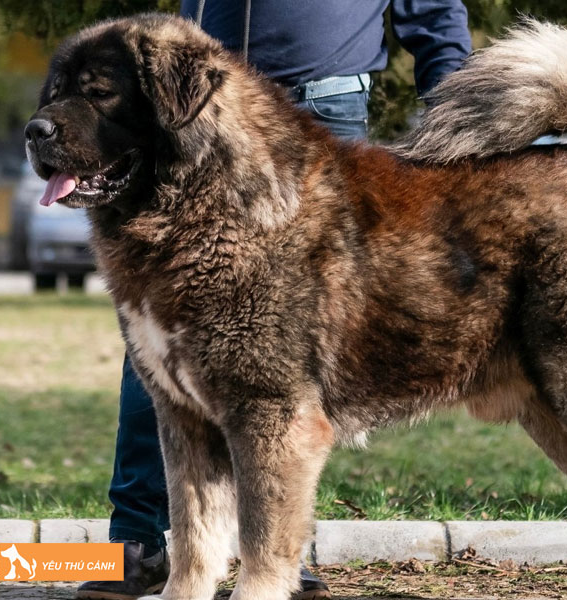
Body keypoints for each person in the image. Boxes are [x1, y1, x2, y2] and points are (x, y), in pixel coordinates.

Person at [76, 2, 471, 599]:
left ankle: (279, 563)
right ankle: (134, 547)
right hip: (190, 103)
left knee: (280, 369)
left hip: (317, 101)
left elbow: (436, 11)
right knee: (159, 349)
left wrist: (460, 129)